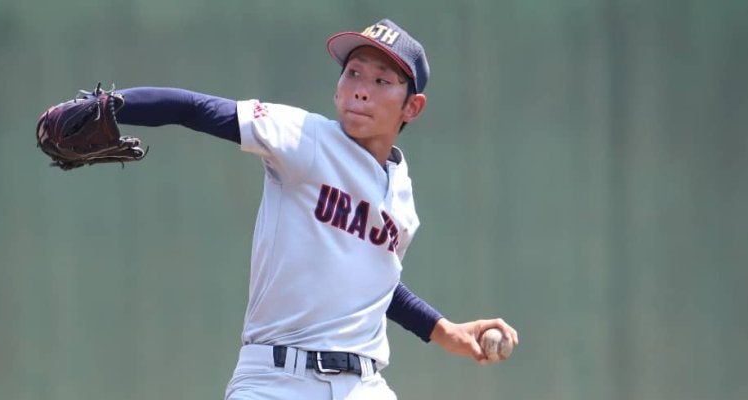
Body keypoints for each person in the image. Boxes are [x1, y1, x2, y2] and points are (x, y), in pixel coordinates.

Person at [112, 18, 518, 400]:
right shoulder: (305, 137)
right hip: (275, 379)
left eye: (381, 80)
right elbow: (193, 108)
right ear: (337, 89)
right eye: (353, 73)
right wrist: (105, 105)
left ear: (412, 107)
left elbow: (377, 282)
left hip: (363, 384)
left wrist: (443, 330)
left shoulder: (401, 193)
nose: (361, 89)